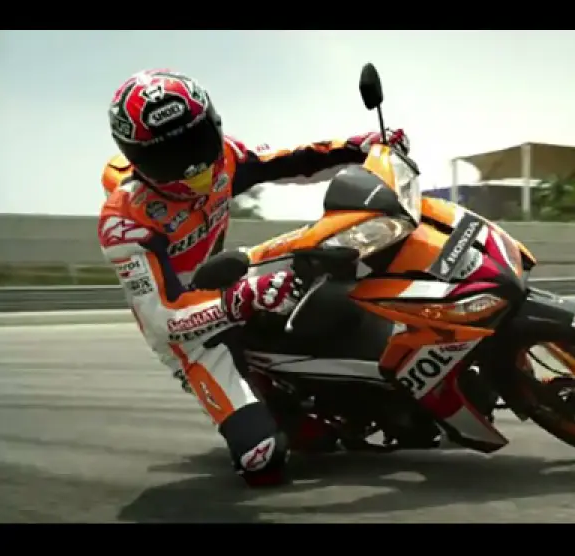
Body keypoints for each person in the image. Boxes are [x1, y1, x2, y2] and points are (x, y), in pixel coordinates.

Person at [98, 68, 409, 487]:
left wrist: (360, 147)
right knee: (263, 457)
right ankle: (277, 410)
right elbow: (161, 318)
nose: (192, 166)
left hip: (233, 276)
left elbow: (295, 160)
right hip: (192, 334)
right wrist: (240, 300)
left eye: (196, 141)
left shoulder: (226, 157)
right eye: (168, 158)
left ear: (213, 123)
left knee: (335, 254)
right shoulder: (125, 222)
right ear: (138, 161)